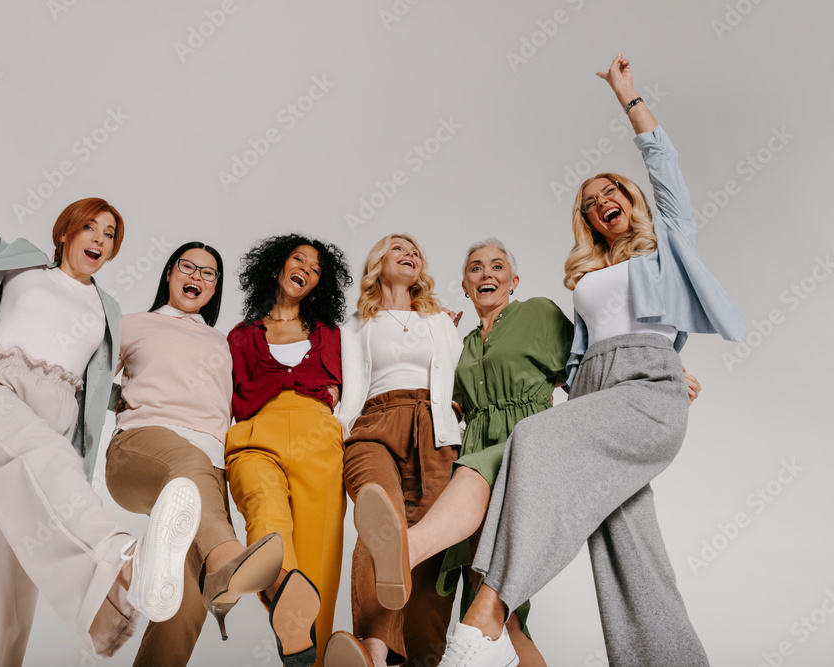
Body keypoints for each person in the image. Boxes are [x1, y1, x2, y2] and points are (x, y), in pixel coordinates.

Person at [430, 55, 746, 667]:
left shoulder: (665, 252)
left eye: (611, 192)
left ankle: (485, 616)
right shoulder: (589, 274)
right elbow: (582, 359)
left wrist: (628, 97)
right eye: (590, 200)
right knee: (629, 550)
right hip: (598, 392)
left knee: (533, 438)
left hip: (646, 393)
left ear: (629, 200)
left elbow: (666, 169)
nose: (603, 201)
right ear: (586, 219)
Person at [0, 126, 201, 666]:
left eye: (110, 234)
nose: (100, 239)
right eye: (91, 226)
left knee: (11, 564)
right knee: (44, 460)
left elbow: (113, 387)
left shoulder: (107, 310)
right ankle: (127, 560)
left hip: (54, 415)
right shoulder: (21, 262)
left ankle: (97, 609)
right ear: (66, 231)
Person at [104, 242, 283, 666]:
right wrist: (120, 399)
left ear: (215, 288)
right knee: (185, 467)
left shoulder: (224, 343)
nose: (197, 277)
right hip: (140, 449)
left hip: (208, 473)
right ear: (170, 273)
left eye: (209, 273)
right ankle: (226, 558)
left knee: (183, 608)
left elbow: (258, 391)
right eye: (189, 267)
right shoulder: (133, 324)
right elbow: (88, 379)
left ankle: (217, 571)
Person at [324, 234, 463, 667]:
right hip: (373, 425)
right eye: (397, 248)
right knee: (378, 515)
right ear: (377, 263)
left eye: (416, 251)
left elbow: (474, 369)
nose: (409, 255)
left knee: (431, 547)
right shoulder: (351, 326)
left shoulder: (441, 320)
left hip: (435, 430)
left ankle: (421, 657)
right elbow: (334, 378)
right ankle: (373, 650)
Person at [225, 234, 353, 666]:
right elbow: (218, 395)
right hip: (256, 435)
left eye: (317, 269)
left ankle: (307, 656)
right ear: (278, 267)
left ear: (320, 284)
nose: (307, 269)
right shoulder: (241, 336)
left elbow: (371, 359)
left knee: (320, 557)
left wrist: (435, 324)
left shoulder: (331, 333)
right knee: (267, 525)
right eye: (299, 260)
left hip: (318, 437)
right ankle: (288, 612)